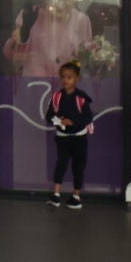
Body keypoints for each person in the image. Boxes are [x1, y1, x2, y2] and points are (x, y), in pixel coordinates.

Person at [46, 57, 96, 207]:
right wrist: (58, 121)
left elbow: (87, 117)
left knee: (78, 166)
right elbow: (49, 115)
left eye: (69, 77)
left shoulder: (81, 98)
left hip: (79, 137)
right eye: (63, 77)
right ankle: (56, 193)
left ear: (77, 79)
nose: (65, 80)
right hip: (62, 137)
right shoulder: (57, 97)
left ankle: (76, 195)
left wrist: (73, 122)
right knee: (60, 164)